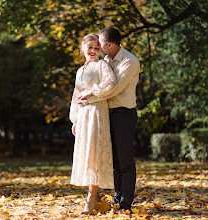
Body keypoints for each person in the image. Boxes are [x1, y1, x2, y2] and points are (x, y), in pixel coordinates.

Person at [77, 27, 140, 213]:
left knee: (125, 161)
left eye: (101, 44)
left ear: (109, 44)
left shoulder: (130, 61)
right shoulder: (106, 60)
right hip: (106, 114)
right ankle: (117, 198)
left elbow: (113, 89)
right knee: (113, 161)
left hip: (123, 114)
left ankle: (125, 204)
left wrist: (88, 94)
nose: (98, 48)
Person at [69, 33, 117, 214]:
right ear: (82, 47)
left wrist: (91, 93)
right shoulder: (80, 70)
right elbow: (75, 95)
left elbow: (111, 83)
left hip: (97, 113)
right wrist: (75, 119)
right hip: (84, 116)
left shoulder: (101, 65)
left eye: (97, 48)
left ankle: (91, 196)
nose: (93, 51)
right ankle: (92, 195)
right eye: (90, 47)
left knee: (95, 153)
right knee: (87, 154)